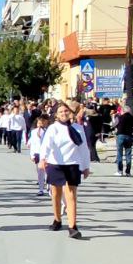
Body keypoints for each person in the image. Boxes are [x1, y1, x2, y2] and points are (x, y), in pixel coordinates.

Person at [39, 102, 91, 239]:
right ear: (56, 115)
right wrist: (43, 159)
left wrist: (86, 166)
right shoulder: (53, 128)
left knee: (71, 195)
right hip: (55, 164)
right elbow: (46, 145)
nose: (64, 113)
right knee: (56, 193)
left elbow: (84, 148)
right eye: (61, 112)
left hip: (72, 164)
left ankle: (72, 226)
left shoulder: (78, 128)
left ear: (70, 112)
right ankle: (57, 219)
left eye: (66, 111)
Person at [27, 113, 49, 197]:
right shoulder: (34, 132)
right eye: (38, 123)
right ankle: (41, 189)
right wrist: (32, 154)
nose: (40, 125)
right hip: (37, 153)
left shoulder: (48, 131)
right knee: (40, 171)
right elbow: (33, 143)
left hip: (46, 154)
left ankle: (49, 185)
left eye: (41, 123)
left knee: (47, 171)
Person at [115, 103, 133, 177]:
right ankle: (128, 172)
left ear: (123, 111)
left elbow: (114, 125)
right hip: (129, 136)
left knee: (119, 154)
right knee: (128, 154)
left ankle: (120, 171)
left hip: (120, 135)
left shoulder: (120, 117)